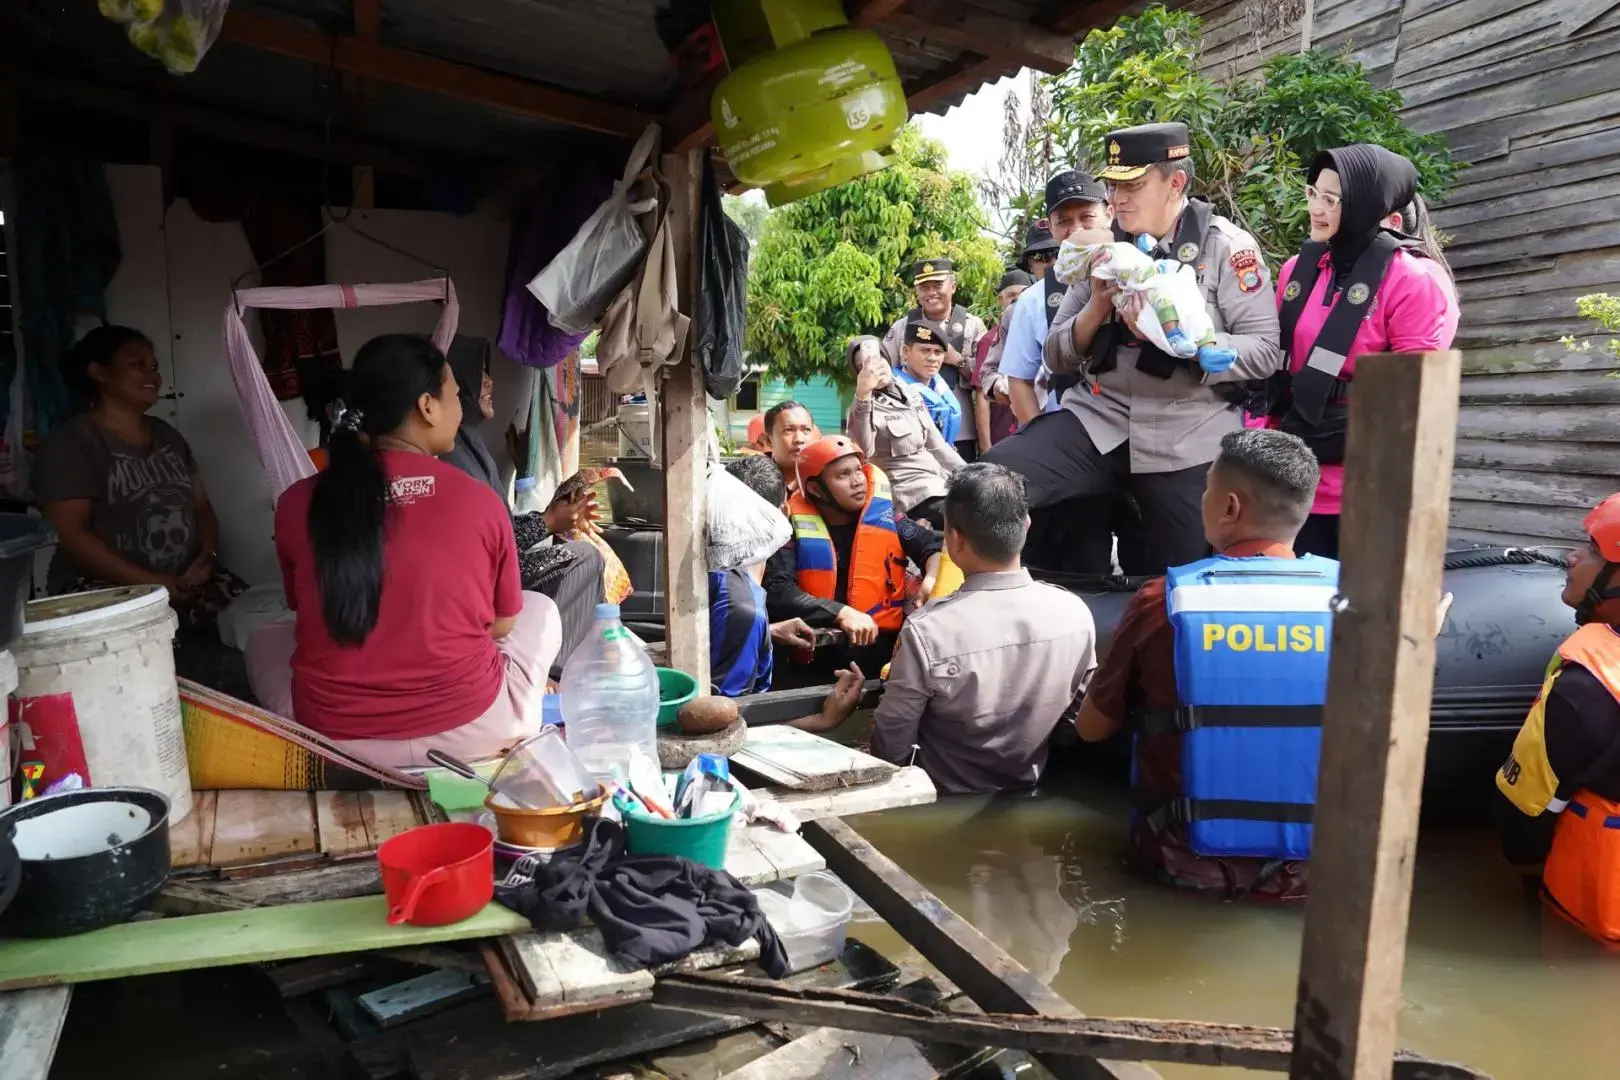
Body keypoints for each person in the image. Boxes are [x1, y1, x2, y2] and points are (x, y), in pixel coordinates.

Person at [985, 123, 1286, 576]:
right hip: (1099, 419)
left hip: (1185, 431)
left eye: (1132, 186)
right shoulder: (1106, 249)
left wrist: (1186, 345)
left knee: (1181, 577)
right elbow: (1055, 354)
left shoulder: (1226, 247)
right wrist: (1096, 307)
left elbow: (1264, 350)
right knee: (988, 485)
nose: (1117, 198)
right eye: (1112, 186)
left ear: (1175, 183)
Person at [248, 334, 561, 767]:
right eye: (455, 396)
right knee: (540, 609)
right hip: (473, 732)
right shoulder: (478, 500)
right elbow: (503, 623)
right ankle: (519, 715)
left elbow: (305, 607)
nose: (459, 408)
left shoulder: (296, 502)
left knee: (264, 640)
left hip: (334, 740)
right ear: (427, 406)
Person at [1073, 429, 1333, 901]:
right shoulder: (1358, 603)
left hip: (1183, 874)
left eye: (1206, 488)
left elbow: (1092, 729)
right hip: (1313, 881)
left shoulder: (1163, 602)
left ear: (1230, 507)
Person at [813, 464, 1098, 795]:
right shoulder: (1075, 613)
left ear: (954, 539)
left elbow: (891, 750)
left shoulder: (927, 631)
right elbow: (1076, 722)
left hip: (940, 798)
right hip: (1027, 789)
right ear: (1027, 525)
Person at [1267, 144, 1460, 559]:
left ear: (1366, 206)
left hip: (1367, 487)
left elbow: (1416, 396)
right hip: (1290, 482)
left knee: (1360, 600)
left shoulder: (1414, 281)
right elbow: (1276, 367)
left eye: (1331, 200)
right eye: (1312, 193)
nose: (1316, 208)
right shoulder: (1296, 271)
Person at [34, 325, 246, 628]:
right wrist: (150, 583)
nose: (153, 375)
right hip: (104, 587)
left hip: (183, 581)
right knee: (150, 645)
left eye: (154, 366)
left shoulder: (167, 435)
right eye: (138, 364)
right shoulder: (71, 443)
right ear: (99, 372)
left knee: (260, 622)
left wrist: (207, 558)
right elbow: (71, 535)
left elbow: (201, 508)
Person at [1494, 494, 1620, 944]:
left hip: (1590, 935)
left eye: (1592, 550)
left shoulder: (1585, 690)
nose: (1572, 557)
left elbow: (1523, 823)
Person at [441, 334, 604, 668]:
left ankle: (572, 663)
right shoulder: (451, 457)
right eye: (478, 375)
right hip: (476, 582)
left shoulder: (471, 447)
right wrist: (548, 521)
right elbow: (485, 542)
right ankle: (551, 674)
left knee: (584, 554)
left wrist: (556, 517)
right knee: (583, 559)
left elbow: (498, 528)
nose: (490, 382)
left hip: (492, 569)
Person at [764, 435, 942, 675]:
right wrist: (840, 613)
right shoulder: (791, 527)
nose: (857, 481)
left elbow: (931, 545)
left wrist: (931, 577)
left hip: (881, 653)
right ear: (816, 489)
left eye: (858, 470)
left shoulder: (884, 516)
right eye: (843, 475)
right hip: (818, 660)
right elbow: (778, 590)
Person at [998, 174, 1113, 427]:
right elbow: (1018, 380)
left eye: (1087, 217)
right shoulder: (1032, 300)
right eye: (1063, 221)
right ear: (1051, 228)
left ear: (1109, 214)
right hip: (1068, 430)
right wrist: (1041, 437)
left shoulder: (1138, 270)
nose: (1076, 229)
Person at [709, 455, 820, 697]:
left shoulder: (714, 570)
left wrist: (766, 632)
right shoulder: (744, 608)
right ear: (784, 512)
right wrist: (824, 717)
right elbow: (724, 709)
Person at [846, 335, 963, 529]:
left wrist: (971, 474)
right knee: (970, 519)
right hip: (910, 496)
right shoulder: (861, 409)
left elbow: (938, 446)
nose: (875, 368)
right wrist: (863, 395)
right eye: (864, 366)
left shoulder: (909, 393)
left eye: (878, 360)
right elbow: (862, 451)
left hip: (938, 483)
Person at [880, 259, 987, 462]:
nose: (931, 293)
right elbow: (884, 371)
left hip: (958, 430)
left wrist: (958, 360)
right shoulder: (902, 327)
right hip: (910, 429)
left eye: (937, 285)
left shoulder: (972, 326)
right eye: (924, 287)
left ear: (953, 286)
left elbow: (985, 379)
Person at [973, 268, 1034, 451]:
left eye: (1023, 294)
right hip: (1002, 430)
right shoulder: (990, 339)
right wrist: (986, 446)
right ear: (1001, 300)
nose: (1017, 300)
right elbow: (982, 396)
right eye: (1011, 296)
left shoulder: (1039, 329)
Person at [763, 399, 818, 494]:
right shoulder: (753, 480)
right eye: (788, 430)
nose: (799, 439)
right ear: (769, 441)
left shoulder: (827, 478)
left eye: (806, 429)